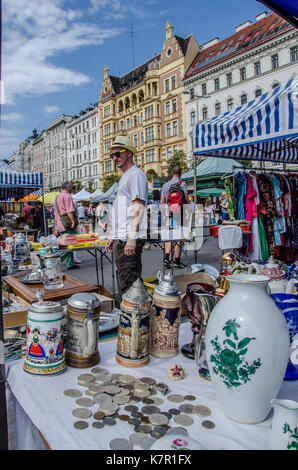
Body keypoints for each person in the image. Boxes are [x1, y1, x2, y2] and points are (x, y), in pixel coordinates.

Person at [106, 135, 148, 294]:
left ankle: (135, 317)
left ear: (129, 153)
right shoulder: (126, 176)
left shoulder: (136, 175)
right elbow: (123, 209)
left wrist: (131, 239)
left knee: (131, 286)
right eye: (112, 155)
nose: (114, 158)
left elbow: (139, 207)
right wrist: (113, 235)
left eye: (118, 154)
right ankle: (131, 316)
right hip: (122, 237)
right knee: (126, 281)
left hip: (128, 239)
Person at [160, 165, 189, 269]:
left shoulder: (165, 185)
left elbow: (162, 202)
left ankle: (167, 259)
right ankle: (177, 261)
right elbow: (186, 199)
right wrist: (188, 213)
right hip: (179, 214)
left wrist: (163, 215)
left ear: (172, 173)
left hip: (168, 214)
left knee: (169, 236)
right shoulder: (182, 183)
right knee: (178, 237)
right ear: (180, 173)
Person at [54, 181, 79, 270]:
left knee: (66, 244)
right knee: (69, 244)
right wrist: (73, 221)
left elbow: (56, 214)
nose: (72, 188)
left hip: (60, 224)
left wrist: (56, 226)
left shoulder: (57, 197)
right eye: (71, 187)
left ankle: (70, 263)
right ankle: (53, 261)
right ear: (67, 187)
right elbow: (69, 211)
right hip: (67, 224)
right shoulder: (67, 196)